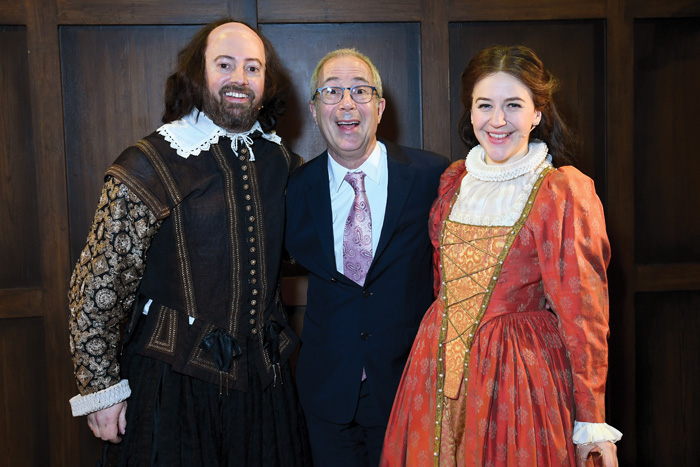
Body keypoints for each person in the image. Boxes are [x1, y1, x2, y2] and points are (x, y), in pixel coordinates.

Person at [67, 18, 312, 466]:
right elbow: (98, 285)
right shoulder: (151, 162)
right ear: (198, 75)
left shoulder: (281, 161)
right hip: (170, 384)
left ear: (265, 82)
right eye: (225, 64)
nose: (239, 78)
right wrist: (99, 389)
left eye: (252, 68)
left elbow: (299, 252)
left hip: (265, 388)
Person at [380, 45, 622, 467]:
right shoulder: (456, 181)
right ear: (470, 112)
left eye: (513, 105)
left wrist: (591, 422)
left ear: (537, 114)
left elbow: (584, 315)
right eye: (484, 105)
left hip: (517, 379)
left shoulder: (560, 191)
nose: (496, 120)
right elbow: (444, 285)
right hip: (434, 368)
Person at [285, 48, 449, 467]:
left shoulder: (433, 176)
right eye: (332, 91)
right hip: (326, 397)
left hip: (408, 389)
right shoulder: (293, 190)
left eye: (360, 90)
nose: (346, 103)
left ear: (379, 107)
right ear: (314, 107)